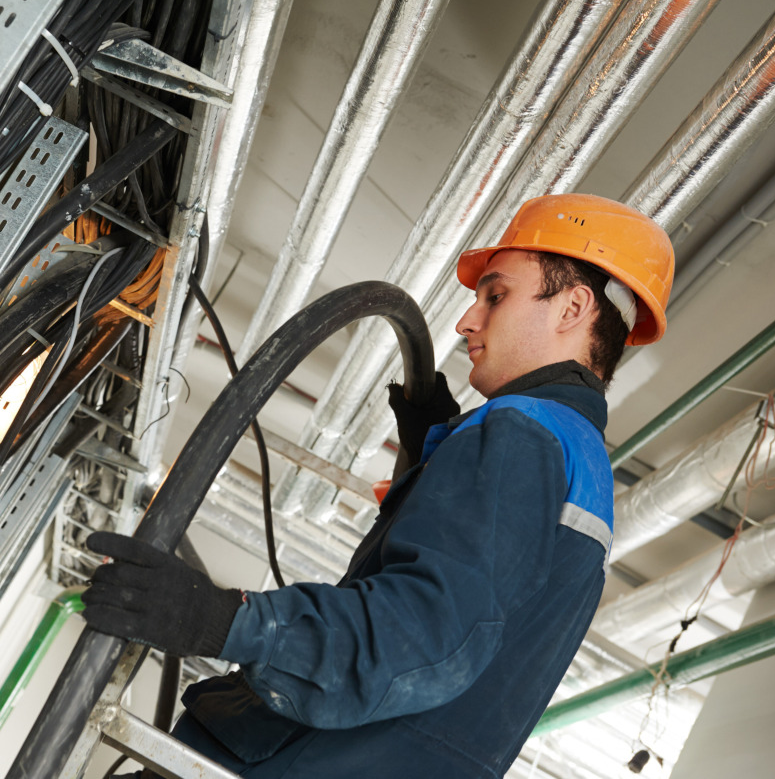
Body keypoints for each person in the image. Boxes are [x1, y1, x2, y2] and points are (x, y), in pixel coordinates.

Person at [82, 194, 675, 778]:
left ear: (572, 309)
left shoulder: (524, 433)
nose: (468, 320)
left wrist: (224, 620)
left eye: (496, 295)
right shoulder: (583, 461)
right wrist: (432, 461)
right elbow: (479, 614)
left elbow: (427, 635)